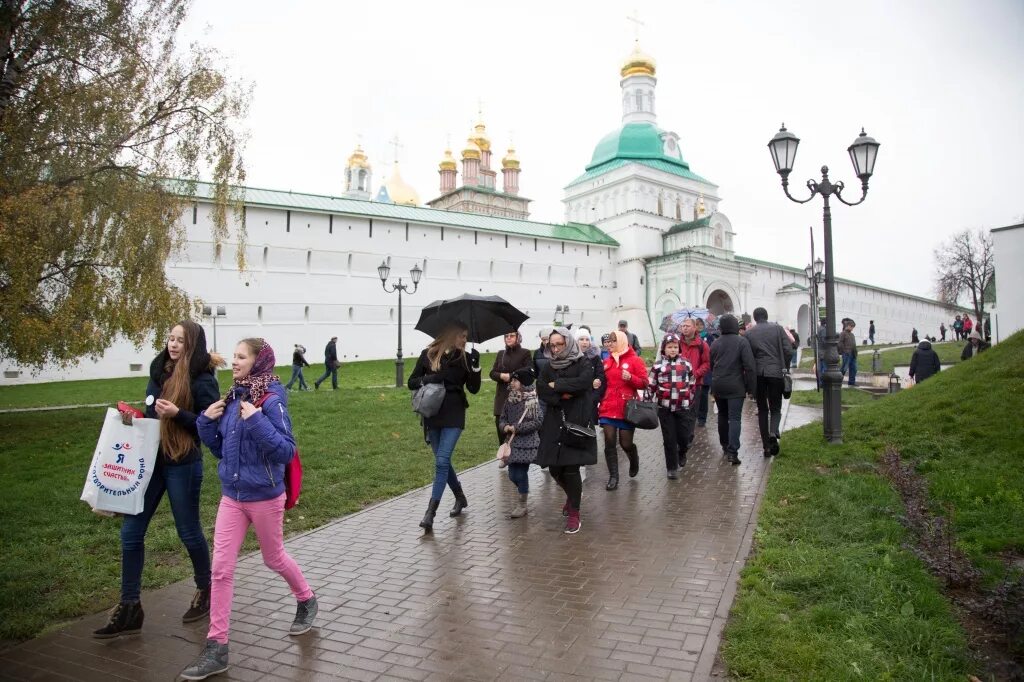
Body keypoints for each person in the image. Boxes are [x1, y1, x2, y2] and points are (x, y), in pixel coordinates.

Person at [182, 338, 315, 680]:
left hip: (265, 496)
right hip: (232, 496)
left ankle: (306, 598)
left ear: (259, 362)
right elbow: (222, 451)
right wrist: (206, 424)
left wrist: (256, 420)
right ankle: (217, 648)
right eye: (235, 357)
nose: (234, 362)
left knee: (274, 558)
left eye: (241, 357)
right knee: (221, 570)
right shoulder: (233, 397)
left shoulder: (272, 400)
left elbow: (285, 450)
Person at [94, 321, 221, 639]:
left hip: (183, 464)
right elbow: (151, 416)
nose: (174, 345)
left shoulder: (202, 379)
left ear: (192, 345)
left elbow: (209, 427)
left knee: (188, 532)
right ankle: (130, 606)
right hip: (149, 462)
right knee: (130, 533)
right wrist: (134, 418)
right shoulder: (158, 371)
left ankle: (206, 590)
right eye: (171, 338)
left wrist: (178, 413)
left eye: (181, 340)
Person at [407, 323, 482, 532]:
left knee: (441, 461)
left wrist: (476, 367)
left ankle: (430, 512)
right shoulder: (428, 354)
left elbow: (474, 389)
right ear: (450, 335)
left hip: (455, 412)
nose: (464, 340)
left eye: (466, 336)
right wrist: (430, 378)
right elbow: (411, 382)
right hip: (433, 413)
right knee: (443, 461)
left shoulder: (465, 358)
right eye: (461, 336)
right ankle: (460, 497)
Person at [536, 328, 596, 534]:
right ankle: (572, 496)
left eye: (559, 344)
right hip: (554, 420)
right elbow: (542, 389)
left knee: (570, 468)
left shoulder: (582, 362)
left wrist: (558, 385)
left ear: (568, 343)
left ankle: (574, 513)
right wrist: (562, 394)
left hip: (576, 420)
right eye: (551, 345)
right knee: (554, 467)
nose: (555, 348)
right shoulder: (548, 366)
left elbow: (583, 383)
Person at [598, 330, 649, 490]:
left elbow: (644, 383)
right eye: (608, 342)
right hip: (608, 407)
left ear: (621, 342)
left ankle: (633, 457)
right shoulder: (606, 362)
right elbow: (602, 382)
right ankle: (614, 477)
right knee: (609, 442)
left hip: (627, 408)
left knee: (625, 443)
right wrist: (597, 383)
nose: (609, 344)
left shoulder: (635, 360)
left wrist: (632, 378)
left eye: (613, 341)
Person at [744, 308, 792, 458]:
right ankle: (773, 432)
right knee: (775, 406)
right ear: (766, 316)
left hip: (758, 374)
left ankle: (765, 446)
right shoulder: (778, 329)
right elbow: (788, 350)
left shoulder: (749, 333)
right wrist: (784, 366)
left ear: (755, 318)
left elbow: (748, 356)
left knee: (762, 409)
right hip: (776, 373)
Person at [709, 314, 755, 466]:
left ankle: (724, 444)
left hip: (718, 384)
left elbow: (711, 364)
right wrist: (750, 387)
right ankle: (733, 452)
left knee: (722, 415)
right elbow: (749, 366)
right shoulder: (742, 342)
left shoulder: (715, 343)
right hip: (736, 385)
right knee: (734, 418)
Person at [648, 333, 695, 479]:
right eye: (669, 347)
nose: (673, 350)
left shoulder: (686, 364)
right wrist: (648, 398)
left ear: (679, 348)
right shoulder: (658, 366)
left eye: (675, 347)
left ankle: (682, 451)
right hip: (665, 408)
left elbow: (692, 382)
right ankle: (671, 467)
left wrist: (690, 397)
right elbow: (651, 385)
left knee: (684, 436)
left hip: (683, 406)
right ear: (664, 349)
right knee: (669, 439)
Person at [498, 368, 542, 518]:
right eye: (513, 380)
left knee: (521, 474)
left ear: (524, 383)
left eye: (516, 380)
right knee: (512, 475)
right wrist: (504, 426)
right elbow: (502, 417)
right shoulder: (510, 399)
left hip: (527, 443)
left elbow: (537, 422)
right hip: (512, 443)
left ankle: (522, 504)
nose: (512, 382)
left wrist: (517, 427)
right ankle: (524, 490)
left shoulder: (533, 401)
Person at [489, 330, 532, 445]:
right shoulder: (501, 353)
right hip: (501, 399)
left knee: (516, 436)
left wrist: (512, 375)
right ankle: (503, 457)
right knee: (502, 433)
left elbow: (529, 371)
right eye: (506, 336)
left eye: (512, 336)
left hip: (518, 399)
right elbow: (492, 373)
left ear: (518, 337)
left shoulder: (525, 353)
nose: (508, 338)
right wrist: (501, 375)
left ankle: (515, 460)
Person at [677, 318, 710, 440]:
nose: (684, 328)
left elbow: (706, 363)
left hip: (695, 385)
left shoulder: (702, 345)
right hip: (678, 384)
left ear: (695, 328)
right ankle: (681, 436)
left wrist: (695, 374)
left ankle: (688, 437)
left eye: (687, 326)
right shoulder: (677, 343)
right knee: (680, 411)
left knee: (691, 412)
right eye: (683, 325)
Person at [576, 328, 608, 423]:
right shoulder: (571, 357)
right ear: (576, 341)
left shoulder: (595, 357)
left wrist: (595, 396)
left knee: (591, 428)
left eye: (587, 339)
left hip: (591, 398)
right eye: (581, 339)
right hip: (575, 399)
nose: (584, 342)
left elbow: (601, 375)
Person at [696, 316, 719, 427]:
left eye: (701, 324)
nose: (699, 326)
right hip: (694, 370)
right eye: (697, 324)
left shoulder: (709, 337)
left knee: (704, 396)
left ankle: (702, 418)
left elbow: (713, 351)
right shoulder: (691, 337)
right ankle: (695, 415)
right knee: (694, 395)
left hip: (705, 371)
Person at [838, 319, 858, 386]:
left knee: (854, 369)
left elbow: (854, 344)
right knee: (844, 368)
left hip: (853, 354)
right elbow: (840, 343)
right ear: (848, 326)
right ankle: (838, 381)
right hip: (846, 354)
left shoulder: (852, 335)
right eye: (852, 327)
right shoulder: (843, 333)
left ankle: (851, 382)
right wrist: (843, 351)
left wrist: (855, 352)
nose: (852, 328)